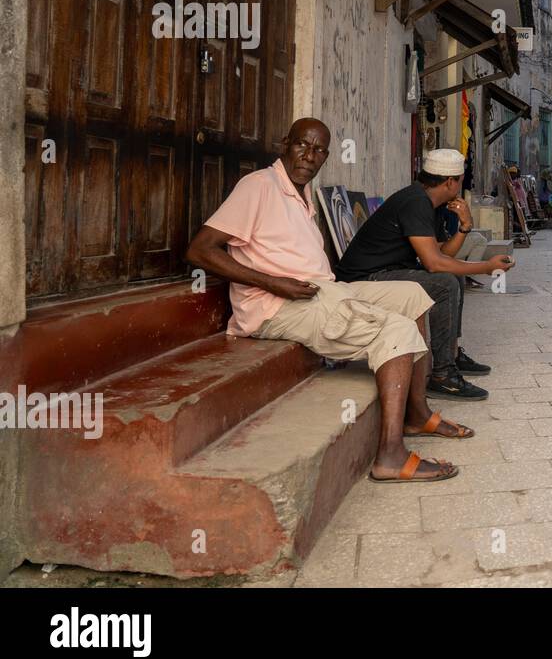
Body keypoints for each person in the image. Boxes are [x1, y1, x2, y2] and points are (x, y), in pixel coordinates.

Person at [186, 118, 471, 483]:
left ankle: (416, 413)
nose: (310, 156)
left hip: (322, 290)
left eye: (319, 150)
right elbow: (200, 250)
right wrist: (274, 283)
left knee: (413, 295)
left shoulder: (300, 192)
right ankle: (391, 455)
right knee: (395, 330)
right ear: (284, 144)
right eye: (302, 145)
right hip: (276, 306)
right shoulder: (258, 186)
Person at [336, 149, 515, 401]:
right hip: (364, 279)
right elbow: (434, 263)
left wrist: (465, 227)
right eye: (461, 180)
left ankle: (450, 355)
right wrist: (486, 267)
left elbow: (442, 252)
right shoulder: (415, 202)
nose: (461, 185)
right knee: (444, 283)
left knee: (454, 278)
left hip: (390, 271)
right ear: (450, 182)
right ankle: (442, 375)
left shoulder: (431, 203)